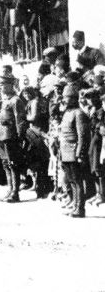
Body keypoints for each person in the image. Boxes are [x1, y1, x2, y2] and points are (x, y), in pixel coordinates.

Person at [59, 85, 90, 217]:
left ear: (73, 99)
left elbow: (82, 136)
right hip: (65, 151)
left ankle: (80, 208)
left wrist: (79, 153)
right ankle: (75, 206)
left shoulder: (79, 113)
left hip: (73, 151)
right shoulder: (67, 113)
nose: (64, 100)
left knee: (77, 181)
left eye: (67, 98)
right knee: (71, 180)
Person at [0, 75, 27, 203]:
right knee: (6, 164)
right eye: (0, 84)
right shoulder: (5, 100)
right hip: (2, 135)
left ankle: (15, 193)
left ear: (10, 85)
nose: (1, 87)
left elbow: (20, 120)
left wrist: (20, 136)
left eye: (3, 84)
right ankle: (10, 189)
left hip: (10, 136)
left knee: (13, 164)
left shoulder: (16, 100)